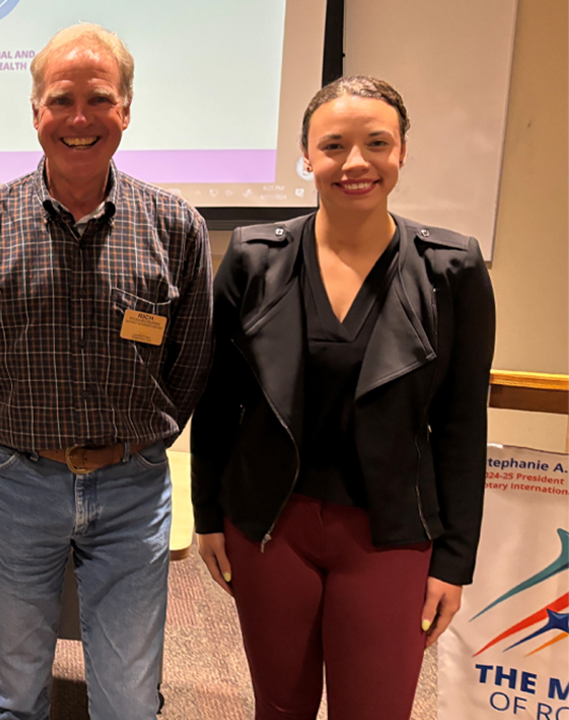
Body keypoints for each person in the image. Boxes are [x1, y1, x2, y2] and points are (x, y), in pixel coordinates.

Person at [190, 76, 496, 720]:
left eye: (376, 143)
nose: (355, 163)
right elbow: (219, 403)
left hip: (391, 535)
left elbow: (463, 424)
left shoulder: (453, 269)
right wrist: (209, 515)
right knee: (280, 707)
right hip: (273, 528)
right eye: (333, 146)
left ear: (402, 152)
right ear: (307, 157)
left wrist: (455, 562)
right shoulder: (252, 258)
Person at [0, 23, 213, 720]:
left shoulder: (175, 226)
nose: (79, 119)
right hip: (16, 484)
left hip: (132, 489)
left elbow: (191, 359)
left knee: (127, 703)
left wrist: (140, 442)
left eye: (99, 99)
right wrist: (16, 427)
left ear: (126, 109)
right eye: (61, 100)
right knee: (16, 695)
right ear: (35, 113)